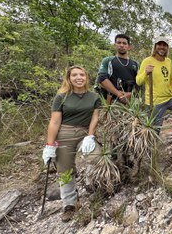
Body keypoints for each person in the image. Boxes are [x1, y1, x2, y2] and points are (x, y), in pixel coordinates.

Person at [42, 66, 101, 222]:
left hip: (85, 133)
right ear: (69, 78)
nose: (78, 77)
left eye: (82, 74)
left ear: (86, 77)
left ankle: (92, 184)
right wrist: (49, 145)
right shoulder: (61, 97)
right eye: (74, 75)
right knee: (65, 170)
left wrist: (90, 135)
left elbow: (95, 117)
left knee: (96, 157)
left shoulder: (94, 97)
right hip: (65, 133)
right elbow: (54, 122)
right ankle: (70, 204)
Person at [136, 35, 172, 139]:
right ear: (155, 46)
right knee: (155, 130)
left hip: (169, 98)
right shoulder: (147, 61)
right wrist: (145, 73)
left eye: (164, 45)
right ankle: (151, 151)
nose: (162, 47)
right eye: (159, 44)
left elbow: (170, 79)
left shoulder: (168, 61)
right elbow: (138, 81)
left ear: (167, 48)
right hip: (154, 102)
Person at [97, 34, 139, 104]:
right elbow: (102, 78)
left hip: (131, 103)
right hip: (112, 102)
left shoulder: (135, 64)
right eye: (119, 42)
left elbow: (139, 83)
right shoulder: (108, 60)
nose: (121, 45)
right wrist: (119, 94)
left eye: (124, 43)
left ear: (129, 47)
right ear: (115, 45)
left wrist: (131, 94)